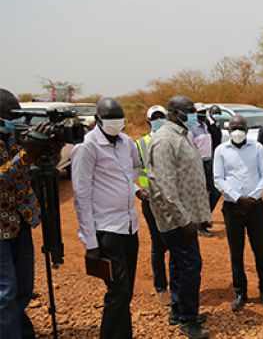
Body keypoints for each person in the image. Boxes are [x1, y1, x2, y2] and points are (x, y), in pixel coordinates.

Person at [71, 97, 142, 339]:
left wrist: (131, 188)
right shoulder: (87, 148)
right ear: (99, 120)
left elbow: (134, 168)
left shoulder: (126, 142)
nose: (116, 122)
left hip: (130, 227)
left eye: (119, 118)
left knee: (126, 291)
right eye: (111, 119)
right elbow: (81, 196)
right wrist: (90, 242)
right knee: (119, 291)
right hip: (107, 230)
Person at [147, 95, 210, 339]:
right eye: (189, 111)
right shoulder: (165, 140)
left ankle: (177, 310)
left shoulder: (181, 136)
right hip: (176, 220)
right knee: (190, 266)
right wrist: (184, 220)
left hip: (186, 217)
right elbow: (165, 186)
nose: (193, 114)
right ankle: (188, 320)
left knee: (177, 263)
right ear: (173, 113)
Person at [0, 88, 55, 339]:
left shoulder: (15, 137)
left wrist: (49, 147)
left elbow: (33, 171)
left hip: (21, 221)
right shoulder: (21, 145)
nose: (17, 119)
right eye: (10, 115)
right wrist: (27, 153)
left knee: (23, 287)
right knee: (5, 291)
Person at [214, 115, 263, 312]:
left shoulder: (258, 148)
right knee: (236, 252)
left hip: (255, 207)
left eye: (240, 127)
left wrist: (252, 198)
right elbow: (218, 179)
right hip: (233, 208)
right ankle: (241, 292)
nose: (237, 130)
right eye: (234, 127)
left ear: (247, 130)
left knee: (261, 249)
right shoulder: (221, 150)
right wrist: (238, 198)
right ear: (229, 130)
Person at [135, 105, 172, 305]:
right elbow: (130, 171)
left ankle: (176, 286)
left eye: (162, 116)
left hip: (172, 201)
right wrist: (138, 192)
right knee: (158, 244)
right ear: (149, 121)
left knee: (175, 244)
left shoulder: (172, 141)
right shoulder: (140, 144)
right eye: (155, 117)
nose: (159, 120)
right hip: (151, 202)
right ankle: (161, 287)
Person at [188, 104, 215, 238]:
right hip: (198, 164)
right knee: (201, 195)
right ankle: (200, 225)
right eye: (200, 112)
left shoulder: (205, 126)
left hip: (209, 162)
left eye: (204, 112)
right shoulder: (191, 130)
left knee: (214, 192)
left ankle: (205, 217)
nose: (203, 114)